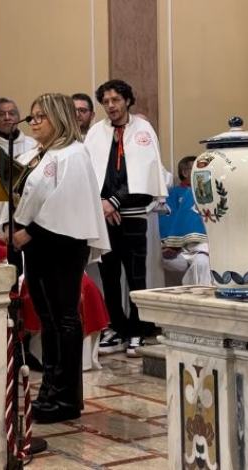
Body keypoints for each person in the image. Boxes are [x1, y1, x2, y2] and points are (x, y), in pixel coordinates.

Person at [12, 93, 109, 424]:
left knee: (64, 318)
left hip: (62, 244)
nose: (34, 122)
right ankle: (49, 390)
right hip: (37, 246)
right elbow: (27, 196)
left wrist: (31, 233)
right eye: (32, 116)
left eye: (41, 116)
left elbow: (65, 204)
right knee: (49, 321)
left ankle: (66, 397)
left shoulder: (73, 154)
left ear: (59, 118)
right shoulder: (36, 156)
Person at [84, 79, 168, 357]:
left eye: (116, 100)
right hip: (103, 215)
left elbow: (144, 175)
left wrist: (114, 201)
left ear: (127, 101)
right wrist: (101, 204)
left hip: (132, 215)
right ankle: (116, 328)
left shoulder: (142, 130)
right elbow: (90, 173)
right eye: (106, 101)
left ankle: (137, 330)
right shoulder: (96, 132)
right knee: (108, 275)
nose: (111, 106)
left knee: (135, 276)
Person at [160, 156, 210, 285]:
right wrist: (173, 245)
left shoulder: (210, 191)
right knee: (201, 261)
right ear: (185, 173)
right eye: (197, 167)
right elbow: (169, 219)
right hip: (183, 248)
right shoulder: (174, 193)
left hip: (209, 244)